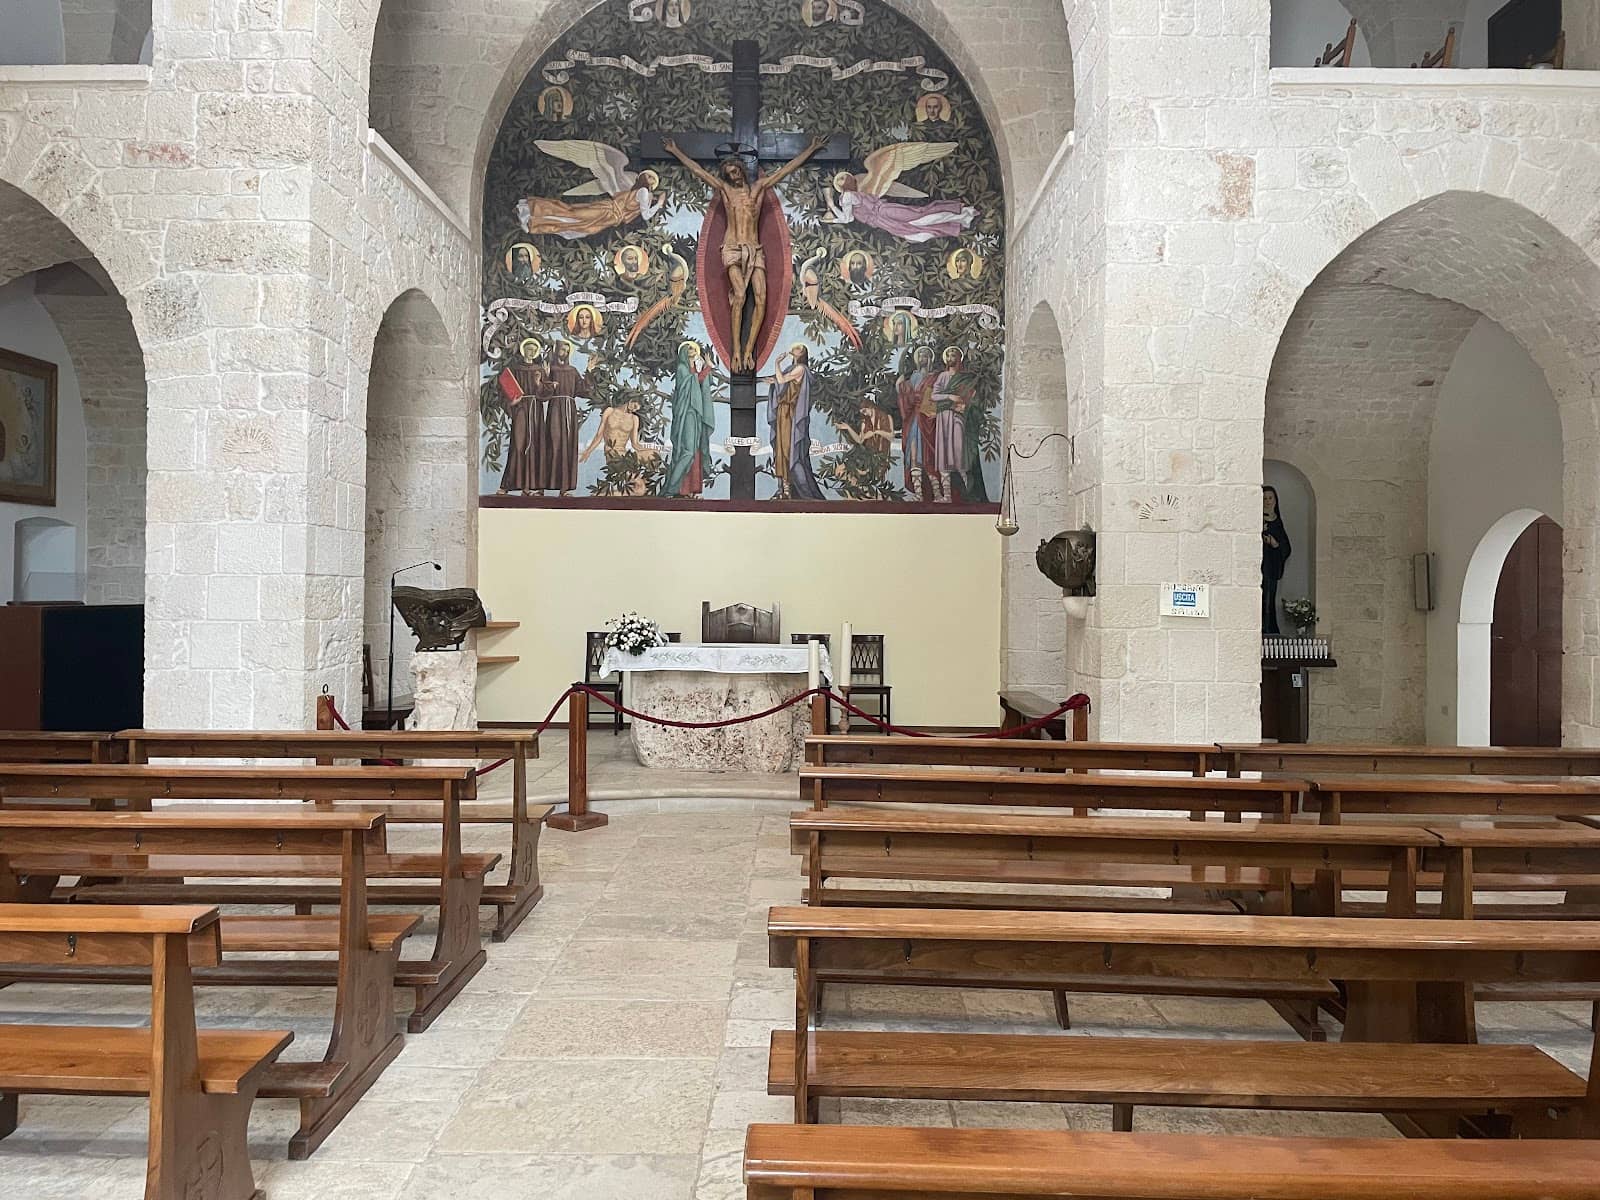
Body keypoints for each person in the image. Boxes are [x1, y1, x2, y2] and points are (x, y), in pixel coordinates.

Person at [663, 135, 828, 371]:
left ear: (741, 169)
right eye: (729, 173)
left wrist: (810, 149)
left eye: (736, 171)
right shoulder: (726, 191)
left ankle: (749, 349)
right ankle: (737, 352)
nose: (733, 176)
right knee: (739, 296)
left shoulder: (758, 189)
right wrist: (675, 151)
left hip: (754, 249)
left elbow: (784, 171)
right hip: (731, 248)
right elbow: (700, 172)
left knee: (761, 298)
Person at [768, 345, 825, 500]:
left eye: (799, 348)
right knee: (781, 451)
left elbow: (782, 380)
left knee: (788, 451)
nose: (794, 348)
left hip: (790, 415)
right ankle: (785, 490)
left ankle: (795, 490)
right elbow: (781, 384)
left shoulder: (800, 368)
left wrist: (777, 364)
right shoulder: (792, 368)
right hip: (783, 413)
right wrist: (774, 382)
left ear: (803, 353)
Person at [536, 341, 590, 496]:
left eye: (567, 350)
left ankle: (564, 488)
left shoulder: (572, 371)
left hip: (569, 410)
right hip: (555, 409)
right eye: (561, 349)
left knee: (567, 446)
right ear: (556, 351)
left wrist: (589, 371)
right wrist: (546, 377)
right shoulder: (550, 369)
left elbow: (583, 391)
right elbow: (543, 394)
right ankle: (542, 487)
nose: (564, 352)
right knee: (552, 443)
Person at [495, 339, 547, 496]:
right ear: (523, 350)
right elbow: (503, 388)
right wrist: (512, 402)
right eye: (528, 349)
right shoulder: (515, 369)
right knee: (518, 445)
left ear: (536, 352)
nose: (530, 352)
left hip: (535, 409)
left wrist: (538, 383)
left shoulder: (539, 369)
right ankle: (509, 484)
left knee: (535, 445)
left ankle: (531, 486)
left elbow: (545, 394)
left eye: (533, 349)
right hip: (520, 409)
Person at [664, 341, 715, 496]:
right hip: (687, 413)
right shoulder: (682, 368)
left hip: (695, 413)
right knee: (688, 451)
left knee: (695, 451)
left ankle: (689, 489)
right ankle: (670, 489)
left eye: (694, 348)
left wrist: (705, 369)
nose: (692, 350)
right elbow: (691, 383)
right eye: (689, 348)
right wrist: (708, 368)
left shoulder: (694, 369)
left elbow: (702, 386)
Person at [895, 345, 938, 500]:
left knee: (929, 456)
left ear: (930, 359)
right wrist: (900, 386)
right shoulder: (914, 377)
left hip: (929, 421)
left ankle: (937, 493)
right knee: (914, 455)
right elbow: (907, 395)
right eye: (920, 356)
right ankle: (918, 494)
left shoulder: (934, 377)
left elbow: (936, 397)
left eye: (925, 356)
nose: (922, 359)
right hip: (914, 420)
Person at [1262, 484, 1292, 634]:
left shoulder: (1277, 521)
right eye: (1264, 498)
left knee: (1269, 599)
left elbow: (1286, 547)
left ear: (1275, 500)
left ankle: (1270, 629)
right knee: (1261, 599)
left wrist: (1276, 544)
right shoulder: (1259, 520)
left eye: (1270, 498)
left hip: (1272, 566)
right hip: (1260, 566)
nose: (1267, 501)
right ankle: (1262, 629)